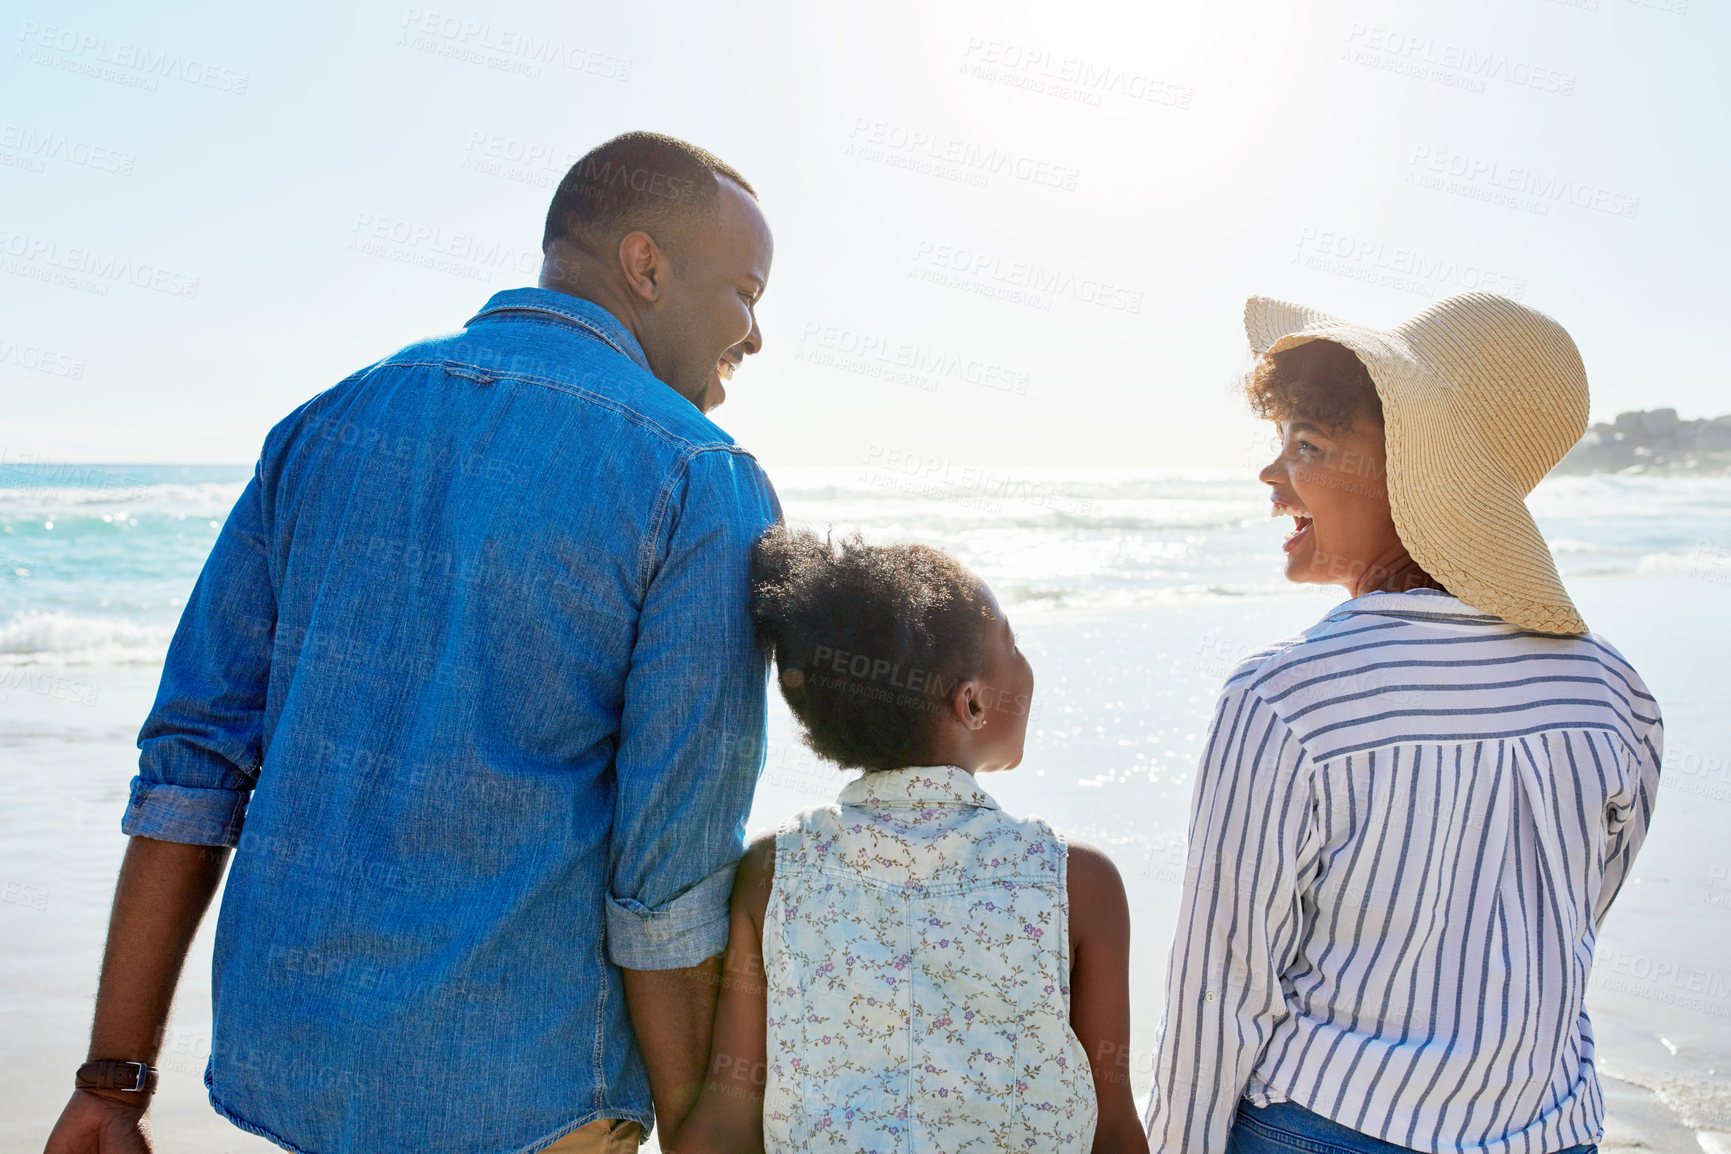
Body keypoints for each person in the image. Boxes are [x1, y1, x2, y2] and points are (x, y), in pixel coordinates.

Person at [45, 132, 779, 1154]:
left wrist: (113, 1083)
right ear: (646, 265)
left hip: (297, 1073)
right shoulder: (700, 478)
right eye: (746, 291)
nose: (755, 334)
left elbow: (193, 765)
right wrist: (704, 1134)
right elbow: (669, 875)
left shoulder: (323, 424)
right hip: (533, 1099)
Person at [1145, 293, 1663, 1154]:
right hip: (1547, 1129)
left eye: (1307, 448)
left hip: (1324, 1125)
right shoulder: (1615, 696)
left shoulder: (1283, 698)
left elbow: (1220, 994)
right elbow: (1569, 918)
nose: (1272, 481)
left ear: (1412, 481)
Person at [666, 529, 1152, 1154]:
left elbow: (730, 1117)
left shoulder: (776, 872)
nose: (1027, 666)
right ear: (972, 703)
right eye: (1013, 645)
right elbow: (1112, 1127)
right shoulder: (1076, 884)